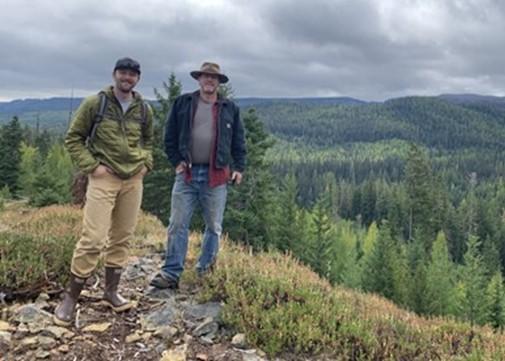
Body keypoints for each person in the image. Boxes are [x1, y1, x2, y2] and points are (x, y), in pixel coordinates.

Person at [54, 57, 153, 326]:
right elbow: (73, 138)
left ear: (138, 79)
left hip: (133, 180)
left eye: (132, 74)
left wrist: (146, 163)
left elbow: (148, 140)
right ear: (114, 75)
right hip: (103, 178)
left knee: (122, 236)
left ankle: (111, 292)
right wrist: (92, 167)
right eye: (123, 73)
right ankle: (71, 298)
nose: (127, 78)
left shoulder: (144, 109)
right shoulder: (95, 104)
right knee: (94, 238)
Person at [150, 62, 246, 289]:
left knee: (214, 226)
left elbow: (238, 142)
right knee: (177, 224)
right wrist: (176, 162)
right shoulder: (183, 103)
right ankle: (171, 273)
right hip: (187, 174)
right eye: (206, 76)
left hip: (217, 175)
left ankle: (205, 271)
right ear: (199, 79)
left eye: (214, 77)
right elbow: (169, 136)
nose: (209, 81)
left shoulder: (229, 108)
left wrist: (239, 168)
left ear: (219, 82)